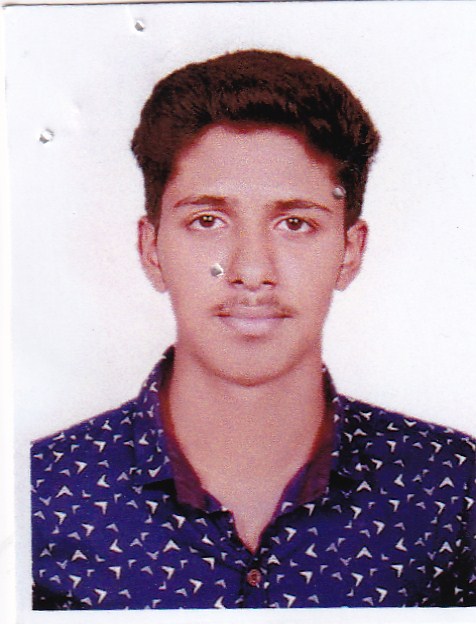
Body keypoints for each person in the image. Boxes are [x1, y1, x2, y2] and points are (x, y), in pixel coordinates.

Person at [31, 49, 475, 609]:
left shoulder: (452, 489)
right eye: (207, 220)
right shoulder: (38, 496)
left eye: (296, 223)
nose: (251, 271)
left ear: (349, 252)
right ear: (151, 249)